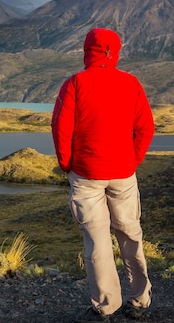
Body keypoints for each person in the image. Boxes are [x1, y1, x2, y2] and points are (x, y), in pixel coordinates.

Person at [51, 28, 154, 322]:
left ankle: (107, 305)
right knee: (130, 234)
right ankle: (140, 299)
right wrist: (131, 161)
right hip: (123, 174)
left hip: (86, 175)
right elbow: (145, 128)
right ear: (115, 51)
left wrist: (67, 164)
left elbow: (61, 129)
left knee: (97, 242)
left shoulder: (75, 84)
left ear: (87, 50)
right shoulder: (131, 84)